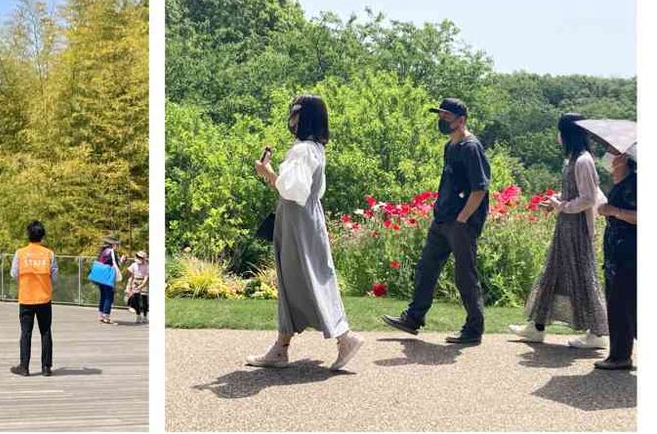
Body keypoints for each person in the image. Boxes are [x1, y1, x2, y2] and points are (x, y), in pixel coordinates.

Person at [247, 94, 363, 370]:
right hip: (308, 217)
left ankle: (343, 336)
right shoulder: (315, 149)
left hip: (297, 218)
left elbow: (293, 191)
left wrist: (267, 172)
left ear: (304, 116)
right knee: (307, 277)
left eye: (295, 112)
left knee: (305, 278)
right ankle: (281, 347)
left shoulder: (301, 150)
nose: (292, 118)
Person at [382, 97, 491, 346]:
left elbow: (480, 189)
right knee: (426, 268)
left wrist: (463, 218)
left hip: (461, 223)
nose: (441, 120)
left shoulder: (471, 148)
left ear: (461, 120)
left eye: (446, 116)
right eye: (439, 115)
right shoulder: (450, 147)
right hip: (443, 219)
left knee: (465, 274)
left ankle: (474, 329)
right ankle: (413, 318)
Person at [509, 114, 608, 349]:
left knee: (583, 276)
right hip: (566, 226)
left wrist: (562, 206)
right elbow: (576, 195)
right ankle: (537, 326)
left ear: (566, 134)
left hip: (576, 229)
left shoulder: (583, 161)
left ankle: (597, 332)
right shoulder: (574, 160)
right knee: (551, 274)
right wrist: (556, 201)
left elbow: (588, 198)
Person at [595, 152, 637, 370]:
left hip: (629, 252)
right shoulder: (620, 184)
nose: (608, 156)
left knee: (622, 304)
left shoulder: (635, 183)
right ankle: (618, 353)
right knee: (619, 303)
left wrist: (614, 211)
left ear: (623, 159)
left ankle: (620, 355)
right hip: (616, 252)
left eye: (613, 152)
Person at [10, 219, 58, 377]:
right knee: (45, 332)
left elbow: (14, 273)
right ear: (42, 236)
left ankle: (24, 367)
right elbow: (55, 276)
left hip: (26, 298)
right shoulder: (49, 254)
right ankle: (46, 367)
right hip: (44, 298)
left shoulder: (20, 253)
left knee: (26, 333)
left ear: (28, 235)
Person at [94, 238, 120, 324]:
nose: (117, 246)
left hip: (100, 276)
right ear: (112, 245)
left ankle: (101, 315)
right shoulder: (112, 251)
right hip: (108, 276)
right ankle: (106, 316)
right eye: (116, 244)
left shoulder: (103, 251)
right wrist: (122, 261)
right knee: (109, 296)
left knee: (103, 295)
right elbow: (115, 264)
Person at [125, 251, 149, 324]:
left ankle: (145, 316)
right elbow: (131, 276)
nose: (139, 258)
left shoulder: (147, 266)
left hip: (143, 283)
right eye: (138, 257)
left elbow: (146, 277)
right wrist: (129, 286)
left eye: (141, 257)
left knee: (144, 300)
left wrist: (142, 285)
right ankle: (138, 316)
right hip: (135, 282)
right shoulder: (133, 265)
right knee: (136, 300)